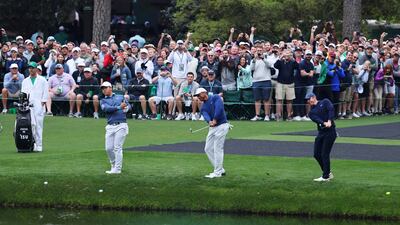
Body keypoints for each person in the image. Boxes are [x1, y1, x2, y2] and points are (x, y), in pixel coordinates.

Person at [194, 87, 230, 179]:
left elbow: (219, 108)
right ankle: (220, 169)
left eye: (199, 95)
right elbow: (205, 115)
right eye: (197, 96)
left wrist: (215, 119)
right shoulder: (203, 107)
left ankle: (217, 172)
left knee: (218, 148)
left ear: (204, 93)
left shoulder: (215, 97)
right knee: (208, 148)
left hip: (222, 125)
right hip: (213, 127)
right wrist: (209, 121)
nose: (198, 97)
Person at [100, 81, 130, 174]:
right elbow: (106, 109)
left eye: (106, 88)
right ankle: (113, 165)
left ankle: (117, 169)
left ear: (110, 88)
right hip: (110, 126)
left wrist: (126, 108)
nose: (104, 90)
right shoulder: (103, 100)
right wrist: (119, 107)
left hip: (121, 124)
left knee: (117, 147)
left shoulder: (120, 97)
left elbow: (128, 105)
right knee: (108, 148)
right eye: (103, 89)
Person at [306, 92, 336, 182]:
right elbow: (316, 119)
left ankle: (325, 176)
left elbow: (331, 109)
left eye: (309, 98)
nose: (308, 101)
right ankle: (327, 173)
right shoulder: (311, 112)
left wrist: (329, 121)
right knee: (316, 154)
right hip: (321, 132)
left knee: (324, 154)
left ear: (314, 97)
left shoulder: (325, 101)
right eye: (307, 100)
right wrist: (324, 123)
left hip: (330, 132)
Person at [21, 62, 49, 152]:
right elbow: (23, 94)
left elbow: (45, 93)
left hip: (38, 105)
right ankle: (32, 144)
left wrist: (42, 103)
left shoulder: (42, 80)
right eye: (29, 68)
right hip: (28, 106)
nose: (31, 69)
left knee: (38, 126)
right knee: (30, 125)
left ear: (36, 69)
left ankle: (39, 145)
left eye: (32, 68)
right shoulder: (25, 81)